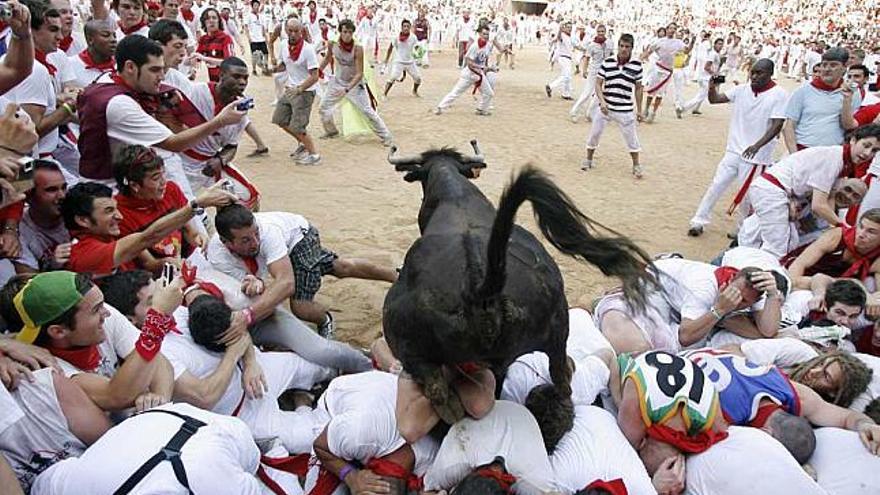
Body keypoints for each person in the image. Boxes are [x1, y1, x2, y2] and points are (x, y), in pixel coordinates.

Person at [76, 34, 247, 191]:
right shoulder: (120, 104)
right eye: (154, 70)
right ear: (130, 67)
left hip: (128, 178)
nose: (161, 77)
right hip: (111, 189)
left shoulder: (106, 79)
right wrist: (220, 121)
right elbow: (174, 143)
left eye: (162, 70)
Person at [0, 270, 179, 412]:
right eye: (97, 310)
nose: (107, 313)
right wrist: (157, 320)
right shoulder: (45, 366)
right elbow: (115, 396)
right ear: (58, 331)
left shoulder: (95, 306)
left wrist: (158, 400)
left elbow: (158, 360)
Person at [207, 204, 397, 335]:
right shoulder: (217, 254)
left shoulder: (268, 234)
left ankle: (325, 320)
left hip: (299, 238)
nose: (255, 242)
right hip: (286, 244)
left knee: (301, 306)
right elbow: (245, 285)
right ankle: (396, 275)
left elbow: (286, 283)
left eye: (256, 233)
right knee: (341, 267)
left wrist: (248, 316)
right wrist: (253, 282)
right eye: (246, 240)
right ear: (226, 242)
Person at [30, 402, 282, 494]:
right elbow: (44, 483)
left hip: (216, 430)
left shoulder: (221, 482)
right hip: (155, 423)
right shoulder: (79, 482)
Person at [738, 125, 880, 257]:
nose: (867, 153)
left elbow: (828, 199)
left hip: (778, 192)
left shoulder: (842, 159)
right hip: (774, 191)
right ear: (854, 140)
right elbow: (819, 205)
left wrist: (838, 227)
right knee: (777, 249)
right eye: (866, 145)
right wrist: (845, 228)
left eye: (874, 150)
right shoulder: (835, 158)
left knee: (769, 241)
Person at [687, 59, 788, 237]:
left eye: (760, 73)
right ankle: (698, 220)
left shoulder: (779, 95)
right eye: (753, 72)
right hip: (734, 150)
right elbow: (715, 99)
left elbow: (777, 124)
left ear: (770, 74)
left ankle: (742, 228)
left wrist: (757, 146)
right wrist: (712, 87)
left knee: (747, 196)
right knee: (717, 185)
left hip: (756, 156)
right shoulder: (742, 89)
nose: (754, 76)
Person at [595, 258, 781, 354]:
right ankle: (597, 302)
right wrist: (719, 312)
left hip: (679, 303)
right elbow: (685, 336)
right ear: (731, 279)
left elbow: (769, 331)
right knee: (663, 342)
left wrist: (773, 294)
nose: (737, 301)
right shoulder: (704, 286)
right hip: (656, 286)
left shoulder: (756, 288)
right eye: (736, 294)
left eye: (744, 302)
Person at [60, 179, 233, 276]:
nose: (119, 217)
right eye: (108, 211)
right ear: (83, 220)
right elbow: (147, 237)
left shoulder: (106, 233)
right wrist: (196, 204)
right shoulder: (84, 253)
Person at [422, 400, 555, 494]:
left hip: (516, 417)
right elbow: (427, 490)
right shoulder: (450, 466)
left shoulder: (536, 481)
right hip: (480, 415)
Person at [5, 0, 76, 161]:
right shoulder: (35, 70)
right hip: (35, 162)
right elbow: (32, 131)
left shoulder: (15, 63)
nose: (60, 36)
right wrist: (68, 107)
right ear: (31, 30)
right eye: (52, 30)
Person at [317, 18, 392, 145]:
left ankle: (386, 136)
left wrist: (347, 89)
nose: (347, 35)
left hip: (355, 85)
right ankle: (331, 131)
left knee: (367, 111)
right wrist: (319, 70)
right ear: (340, 32)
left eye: (350, 32)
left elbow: (359, 73)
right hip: (337, 81)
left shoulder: (358, 49)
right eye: (345, 31)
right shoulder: (332, 44)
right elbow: (328, 58)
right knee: (323, 107)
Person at [582, 33, 644, 179]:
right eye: (621, 46)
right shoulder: (608, 62)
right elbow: (598, 83)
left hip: (625, 108)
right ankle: (588, 159)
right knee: (594, 133)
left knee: (631, 138)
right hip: (606, 108)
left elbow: (639, 88)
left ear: (631, 48)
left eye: (627, 47)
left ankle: (636, 165)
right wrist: (602, 101)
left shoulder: (636, 65)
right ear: (618, 46)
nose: (623, 49)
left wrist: (639, 110)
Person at [783, 47, 859, 152]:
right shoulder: (803, 91)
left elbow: (848, 126)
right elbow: (789, 126)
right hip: (803, 149)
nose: (827, 69)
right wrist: (794, 155)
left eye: (833, 65)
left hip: (832, 152)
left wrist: (846, 100)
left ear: (844, 68)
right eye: (824, 65)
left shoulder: (853, 92)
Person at [271, 17, 321, 165]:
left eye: (296, 31)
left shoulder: (308, 49)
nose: (293, 34)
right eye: (290, 31)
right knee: (280, 119)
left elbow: (315, 75)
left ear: (302, 32)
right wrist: (273, 69)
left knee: (298, 126)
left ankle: (314, 155)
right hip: (291, 89)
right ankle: (302, 143)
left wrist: (300, 89)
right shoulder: (283, 45)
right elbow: (284, 65)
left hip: (305, 91)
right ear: (286, 30)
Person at [13, 160, 70, 273]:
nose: (62, 196)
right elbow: (28, 286)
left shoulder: (81, 210)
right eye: (51, 190)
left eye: (64, 187)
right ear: (28, 196)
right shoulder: (18, 232)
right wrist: (52, 267)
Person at [436, 24, 497, 116]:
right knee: (456, 92)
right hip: (469, 74)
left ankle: (481, 109)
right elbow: (469, 62)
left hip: (479, 74)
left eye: (487, 34)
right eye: (484, 34)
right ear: (479, 34)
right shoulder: (475, 46)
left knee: (489, 93)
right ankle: (440, 107)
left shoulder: (488, 46)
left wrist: (490, 68)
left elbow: (484, 60)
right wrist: (483, 67)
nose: (486, 36)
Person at [642, 24, 693, 123]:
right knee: (651, 91)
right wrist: (641, 58)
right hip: (657, 69)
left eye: (674, 29)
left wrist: (692, 42)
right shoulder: (659, 41)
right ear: (667, 29)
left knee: (660, 94)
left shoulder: (678, 43)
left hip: (667, 71)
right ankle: (646, 109)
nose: (672, 30)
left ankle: (653, 112)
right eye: (670, 28)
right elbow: (649, 51)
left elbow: (687, 51)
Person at [569, 23, 613, 123]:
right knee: (587, 93)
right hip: (594, 71)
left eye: (602, 31)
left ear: (605, 32)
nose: (601, 33)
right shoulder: (592, 45)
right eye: (599, 31)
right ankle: (574, 111)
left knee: (600, 94)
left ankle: (590, 113)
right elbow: (587, 58)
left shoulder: (610, 43)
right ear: (596, 32)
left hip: (606, 71)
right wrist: (584, 70)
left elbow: (611, 56)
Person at [677, 37, 723, 117]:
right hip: (706, 78)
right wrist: (716, 75)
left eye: (722, 44)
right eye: (719, 44)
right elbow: (707, 67)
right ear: (715, 44)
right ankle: (682, 108)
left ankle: (696, 109)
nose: (720, 46)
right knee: (700, 96)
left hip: (706, 77)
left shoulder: (715, 54)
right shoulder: (713, 54)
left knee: (702, 95)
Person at [67, 19, 116, 88]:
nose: (113, 40)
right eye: (106, 35)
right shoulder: (70, 65)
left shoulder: (121, 67)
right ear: (90, 40)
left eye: (114, 36)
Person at [382, 19, 421, 98]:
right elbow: (390, 48)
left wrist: (419, 58)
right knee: (393, 77)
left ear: (410, 27)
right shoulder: (396, 37)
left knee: (418, 78)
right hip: (398, 61)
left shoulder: (413, 37)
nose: (406, 28)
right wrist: (386, 59)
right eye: (404, 26)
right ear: (401, 27)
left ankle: (415, 91)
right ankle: (384, 94)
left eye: (408, 26)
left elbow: (418, 48)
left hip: (410, 62)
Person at [196, 7, 234, 82]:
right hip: (213, 82)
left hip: (227, 81)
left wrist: (205, 58)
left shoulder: (225, 38)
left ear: (219, 21)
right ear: (204, 22)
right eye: (208, 18)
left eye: (214, 18)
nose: (211, 21)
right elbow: (196, 58)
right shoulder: (204, 39)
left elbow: (229, 62)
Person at [545, 21, 573, 100]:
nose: (569, 29)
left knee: (567, 77)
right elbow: (558, 37)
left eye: (570, 27)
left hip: (568, 58)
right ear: (564, 28)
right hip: (563, 57)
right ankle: (551, 86)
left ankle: (566, 94)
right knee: (566, 76)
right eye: (568, 27)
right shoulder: (562, 35)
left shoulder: (569, 37)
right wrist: (560, 29)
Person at [245, 0, 269, 76]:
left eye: (257, 5)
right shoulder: (248, 16)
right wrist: (249, 37)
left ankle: (265, 67)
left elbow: (263, 27)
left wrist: (266, 37)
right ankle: (254, 69)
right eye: (255, 5)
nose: (257, 7)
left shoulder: (261, 16)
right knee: (254, 55)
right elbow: (246, 27)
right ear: (252, 6)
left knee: (266, 53)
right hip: (253, 38)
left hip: (261, 38)